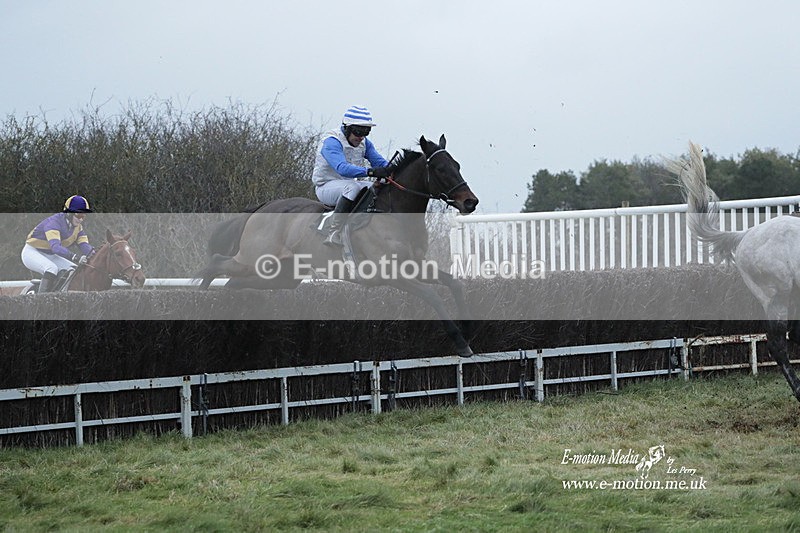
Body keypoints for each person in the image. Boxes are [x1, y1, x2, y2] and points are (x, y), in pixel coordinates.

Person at [312, 105, 394, 246]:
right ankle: (334, 232)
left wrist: (393, 169)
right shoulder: (332, 141)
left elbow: (379, 161)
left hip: (348, 186)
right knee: (352, 187)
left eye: (366, 132)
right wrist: (370, 171)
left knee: (376, 188)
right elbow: (342, 168)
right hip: (325, 187)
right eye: (358, 132)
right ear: (348, 128)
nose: (361, 137)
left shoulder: (365, 143)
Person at [21, 195, 96, 293]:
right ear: (69, 213)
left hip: (50, 254)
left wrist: (95, 255)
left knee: (73, 270)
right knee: (51, 269)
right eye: (78, 215)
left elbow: (84, 245)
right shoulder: (53, 223)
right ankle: (42, 301)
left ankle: (59, 295)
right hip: (32, 252)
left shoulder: (78, 228)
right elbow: (56, 247)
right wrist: (75, 257)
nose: (81, 219)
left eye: (83, 216)